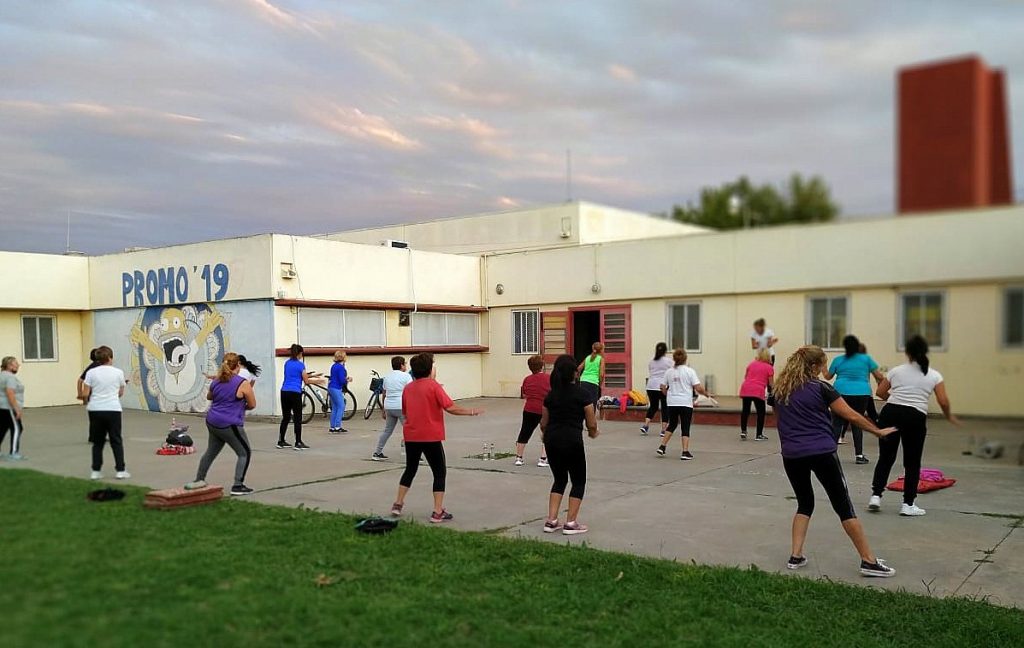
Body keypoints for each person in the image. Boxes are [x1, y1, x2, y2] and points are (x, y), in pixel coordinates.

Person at [771, 345, 896, 577]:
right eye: (822, 365)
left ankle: (796, 556)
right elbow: (850, 415)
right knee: (843, 506)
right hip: (822, 453)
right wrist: (877, 431)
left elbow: (780, 420)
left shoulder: (779, 391)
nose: (824, 370)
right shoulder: (821, 388)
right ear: (813, 366)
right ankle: (868, 561)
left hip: (792, 455)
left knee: (804, 503)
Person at [869, 335, 958, 517]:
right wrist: (949, 416)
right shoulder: (934, 375)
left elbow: (880, 392)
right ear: (925, 352)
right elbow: (943, 401)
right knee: (912, 462)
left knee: (886, 457)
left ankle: (876, 496)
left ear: (908, 353)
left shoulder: (896, 371)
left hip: (890, 413)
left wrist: (896, 401)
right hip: (915, 417)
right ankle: (908, 504)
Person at [389, 353, 482, 522]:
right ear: (430, 369)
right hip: (430, 436)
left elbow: (405, 412)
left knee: (410, 469)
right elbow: (450, 407)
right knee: (439, 472)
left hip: (411, 435)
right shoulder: (434, 386)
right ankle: (438, 511)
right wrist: (471, 411)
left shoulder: (408, 388)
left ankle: (398, 504)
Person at [541, 354, 599, 535]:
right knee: (578, 480)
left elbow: (543, 423)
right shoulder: (583, 394)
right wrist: (593, 432)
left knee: (559, 479)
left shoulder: (551, 395)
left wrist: (546, 435)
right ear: (575, 373)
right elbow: (591, 422)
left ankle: (551, 521)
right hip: (572, 440)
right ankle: (571, 523)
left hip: (552, 440)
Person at [186, 352, 257, 495]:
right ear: (238, 366)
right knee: (244, 453)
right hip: (230, 423)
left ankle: (199, 480)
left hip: (212, 421)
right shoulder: (243, 383)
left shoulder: (216, 381)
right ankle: (238, 486)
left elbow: (210, 397)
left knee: (211, 451)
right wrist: (240, 406)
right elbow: (252, 404)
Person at [823, 335, 885, 465]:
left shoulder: (838, 360)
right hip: (861, 393)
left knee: (837, 423)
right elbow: (879, 376)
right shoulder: (866, 359)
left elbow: (828, 377)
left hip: (840, 393)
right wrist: (881, 383)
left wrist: (823, 366)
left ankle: (830, 454)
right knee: (857, 422)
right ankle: (859, 455)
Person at [82, 346, 129, 480]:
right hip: (113, 409)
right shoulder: (118, 372)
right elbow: (120, 392)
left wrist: (88, 400)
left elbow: (85, 393)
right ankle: (120, 470)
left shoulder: (91, 373)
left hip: (95, 409)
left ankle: (96, 471)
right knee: (116, 440)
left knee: (98, 442)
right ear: (110, 358)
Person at [656, 348, 712, 460]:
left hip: (672, 403)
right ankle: (685, 452)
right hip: (685, 403)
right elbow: (698, 387)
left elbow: (662, 387)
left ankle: (662, 446)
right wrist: (706, 394)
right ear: (685, 358)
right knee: (685, 426)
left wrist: (667, 394)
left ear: (674, 359)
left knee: (672, 424)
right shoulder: (689, 371)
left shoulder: (669, 372)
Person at [373, 355, 413, 460]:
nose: (406, 366)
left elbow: (384, 393)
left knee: (387, 430)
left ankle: (377, 452)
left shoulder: (387, 377)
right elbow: (411, 392)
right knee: (409, 430)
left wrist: (383, 409)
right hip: (401, 406)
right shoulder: (406, 376)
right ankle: (413, 454)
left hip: (389, 406)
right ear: (401, 365)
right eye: (405, 364)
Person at [515, 355, 550, 467]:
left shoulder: (527, 379)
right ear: (542, 366)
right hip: (544, 409)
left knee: (525, 432)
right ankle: (543, 458)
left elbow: (524, 394)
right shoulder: (548, 378)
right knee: (546, 433)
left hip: (529, 408)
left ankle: (519, 458)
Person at [279, 344, 313, 450]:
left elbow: (294, 375)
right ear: (300, 353)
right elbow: (306, 380)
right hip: (295, 392)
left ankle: (281, 440)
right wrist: (317, 381)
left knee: (286, 417)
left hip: (284, 391)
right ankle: (298, 442)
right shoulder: (300, 365)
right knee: (297, 418)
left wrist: (309, 375)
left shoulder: (287, 363)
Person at [739, 348, 774, 441]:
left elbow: (746, 377)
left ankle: (743, 431)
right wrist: (773, 392)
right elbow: (771, 384)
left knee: (745, 410)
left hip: (746, 388)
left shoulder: (751, 364)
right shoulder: (769, 367)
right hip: (758, 390)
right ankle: (759, 435)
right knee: (761, 412)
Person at [641, 342, 673, 437]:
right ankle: (663, 430)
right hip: (662, 386)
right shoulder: (668, 361)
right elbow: (673, 371)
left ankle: (646, 425)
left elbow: (651, 372)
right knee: (665, 408)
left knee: (653, 407)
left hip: (651, 386)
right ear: (665, 351)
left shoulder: (651, 361)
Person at [0, 356, 26, 460]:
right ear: (9, 366)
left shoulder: (2, 375)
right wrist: (16, 408)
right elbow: (10, 393)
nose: (18, 365)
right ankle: (14, 453)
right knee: (17, 428)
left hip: (2, 407)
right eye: (16, 364)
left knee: (2, 428)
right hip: (9, 407)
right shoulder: (10, 377)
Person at [327, 350, 353, 434]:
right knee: (341, 406)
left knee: (335, 407)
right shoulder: (341, 367)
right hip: (336, 388)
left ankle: (332, 426)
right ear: (343, 357)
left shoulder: (334, 366)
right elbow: (341, 380)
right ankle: (337, 426)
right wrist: (348, 379)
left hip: (331, 387)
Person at [576, 342, 604, 408]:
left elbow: (578, 368)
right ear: (601, 350)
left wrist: (579, 378)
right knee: (592, 404)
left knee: (583, 402)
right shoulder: (601, 359)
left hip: (583, 381)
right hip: (593, 382)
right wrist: (600, 384)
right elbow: (601, 374)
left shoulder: (587, 357)